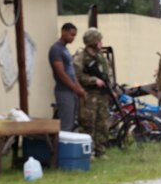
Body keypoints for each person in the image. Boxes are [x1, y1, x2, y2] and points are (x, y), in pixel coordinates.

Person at [73, 27, 113, 159]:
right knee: (87, 124)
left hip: (102, 95)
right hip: (89, 95)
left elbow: (107, 73)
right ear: (93, 42)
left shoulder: (100, 57)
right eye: (99, 41)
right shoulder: (80, 57)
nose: (101, 43)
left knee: (102, 123)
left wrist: (110, 88)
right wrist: (93, 80)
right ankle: (88, 151)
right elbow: (77, 76)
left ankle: (101, 150)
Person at [48, 23, 85, 132]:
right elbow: (61, 74)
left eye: (74, 36)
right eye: (71, 34)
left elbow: (71, 72)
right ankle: (61, 143)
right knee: (66, 125)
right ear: (63, 32)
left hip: (72, 92)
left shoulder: (65, 49)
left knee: (72, 123)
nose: (73, 38)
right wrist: (74, 88)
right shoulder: (56, 49)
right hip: (63, 91)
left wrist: (79, 88)